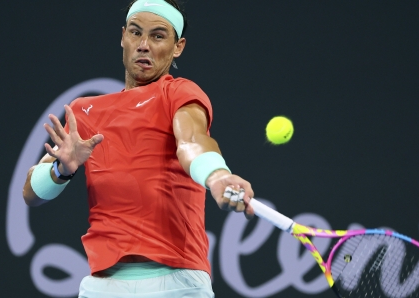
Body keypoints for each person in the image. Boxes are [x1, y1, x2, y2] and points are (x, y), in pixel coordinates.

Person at [22, 0, 254, 297]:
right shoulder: (85, 112)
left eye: (158, 36)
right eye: (135, 33)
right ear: (123, 37)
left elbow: (192, 141)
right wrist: (60, 170)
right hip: (102, 286)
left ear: (178, 46)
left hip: (177, 283)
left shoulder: (178, 92)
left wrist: (218, 176)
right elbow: (30, 194)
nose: (144, 45)